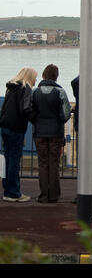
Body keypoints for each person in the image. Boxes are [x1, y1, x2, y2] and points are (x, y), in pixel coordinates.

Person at [32, 64, 71, 203]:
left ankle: (43, 195)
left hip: (39, 133)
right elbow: (66, 114)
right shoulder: (60, 92)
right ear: (56, 76)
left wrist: (36, 120)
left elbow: (29, 110)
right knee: (54, 163)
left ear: (43, 75)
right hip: (56, 133)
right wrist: (59, 119)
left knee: (42, 163)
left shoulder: (35, 92)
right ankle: (54, 195)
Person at [0, 67, 37, 202]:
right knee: (15, 159)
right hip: (16, 127)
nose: (36, 80)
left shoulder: (10, 87)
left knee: (8, 157)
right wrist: (35, 119)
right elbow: (26, 108)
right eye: (35, 77)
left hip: (5, 126)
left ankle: (7, 190)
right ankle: (14, 193)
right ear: (30, 77)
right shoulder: (25, 88)